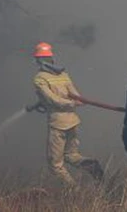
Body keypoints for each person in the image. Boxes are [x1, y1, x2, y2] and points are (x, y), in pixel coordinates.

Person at [31, 41, 103, 188]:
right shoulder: (63, 74)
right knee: (71, 155)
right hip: (73, 121)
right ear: (52, 57)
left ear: (37, 59)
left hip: (58, 124)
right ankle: (91, 166)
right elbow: (75, 94)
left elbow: (52, 99)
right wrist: (74, 102)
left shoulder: (40, 78)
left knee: (55, 164)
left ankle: (73, 190)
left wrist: (70, 103)